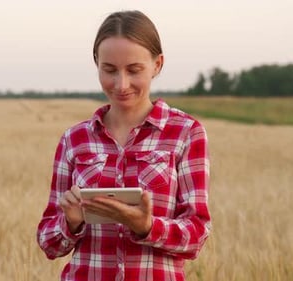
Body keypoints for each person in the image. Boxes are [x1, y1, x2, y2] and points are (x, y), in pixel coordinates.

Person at [36, 10, 211, 281]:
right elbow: (48, 242)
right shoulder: (74, 139)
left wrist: (146, 226)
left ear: (158, 64)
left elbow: (196, 235)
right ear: (96, 64)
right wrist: (70, 222)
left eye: (134, 70)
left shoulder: (186, 133)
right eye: (109, 70)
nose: (121, 84)